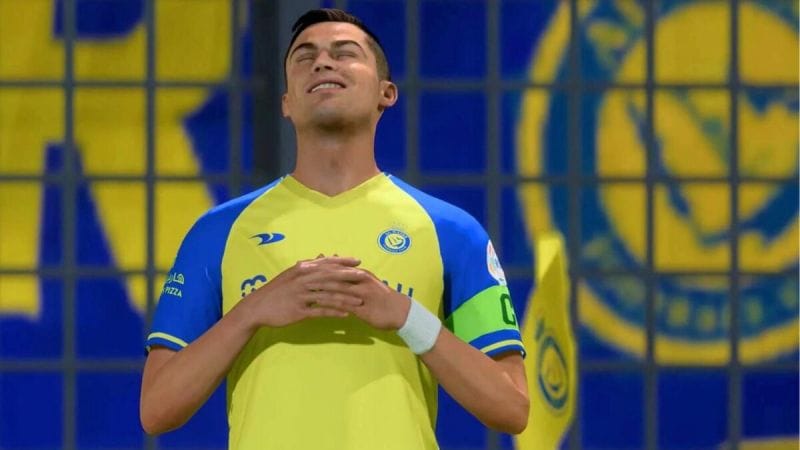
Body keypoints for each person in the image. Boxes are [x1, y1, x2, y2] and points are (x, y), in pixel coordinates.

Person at [140, 8, 529, 450]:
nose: (323, 63)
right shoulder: (219, 231)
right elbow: (156, 409)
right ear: (286, 103)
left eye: (344, 54)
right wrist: (252, 312)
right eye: (304, 58)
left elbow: (511, 408)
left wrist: (407, 317)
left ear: (386, 93)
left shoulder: (452, 232)